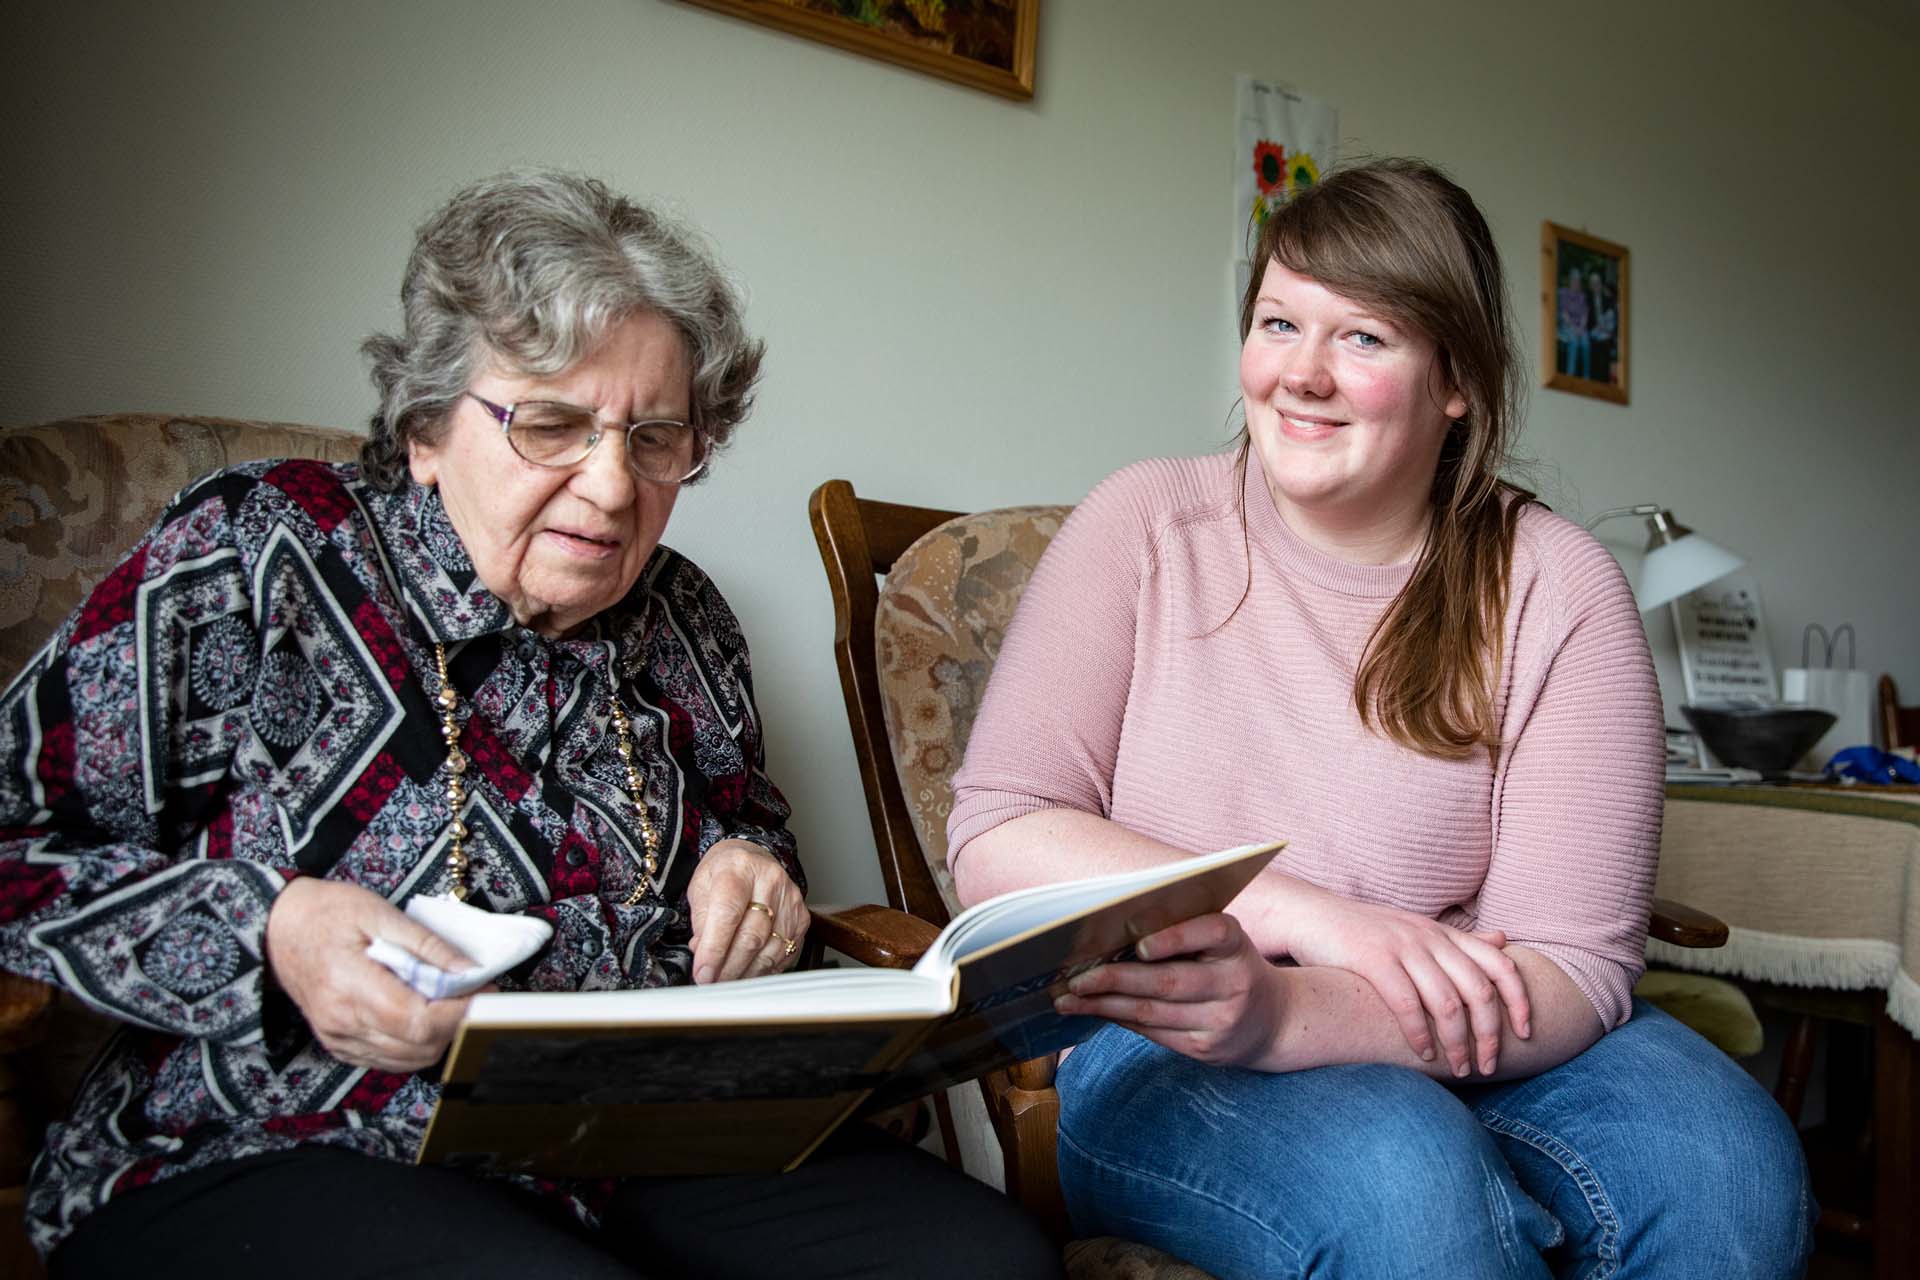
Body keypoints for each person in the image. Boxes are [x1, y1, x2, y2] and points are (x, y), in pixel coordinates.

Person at [0, 170, 1059, 1280]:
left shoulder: (686, 613)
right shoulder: (258, 551)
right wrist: (269, 928)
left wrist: (750, 869)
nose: (610, 487)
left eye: (656, 438)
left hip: (648, 1130)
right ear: (424, 427)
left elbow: (746, 827)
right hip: (288, 1130)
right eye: (552, 423)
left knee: (987, 1259)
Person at [947, 159, 1811, 1277]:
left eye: (1362, 337)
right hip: (1168, 1037)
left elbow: (1575, 965)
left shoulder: (1559, 585)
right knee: (1407, 1189)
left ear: (1456, 379)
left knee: (1733, 1166)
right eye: (1278, 321)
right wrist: (1317, 919)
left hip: (1484, 1029)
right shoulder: (1145, 524)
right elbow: (1001, 832)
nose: (1302, 374)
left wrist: (1303, 1007)